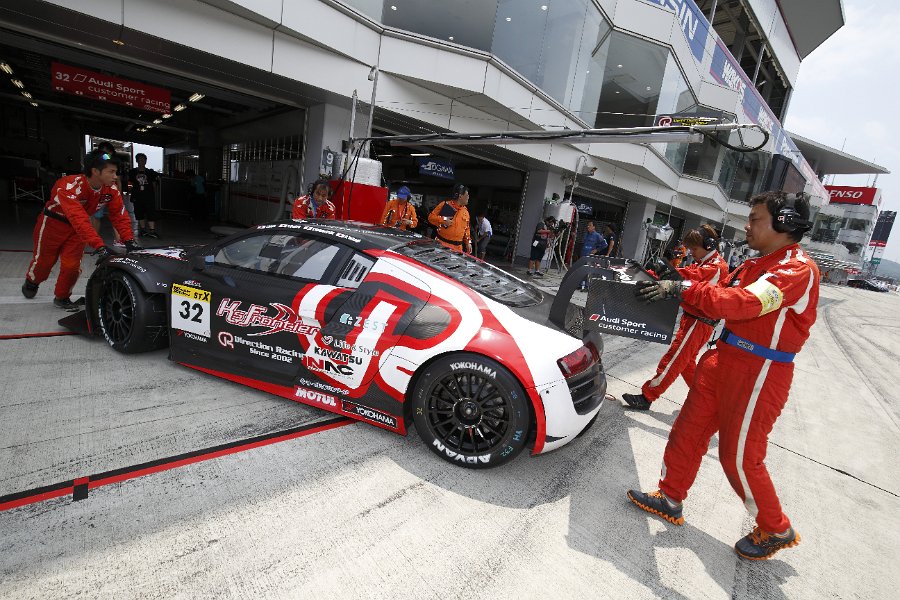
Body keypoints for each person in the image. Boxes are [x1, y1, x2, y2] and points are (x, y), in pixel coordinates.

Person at [627, 191, 817, 560]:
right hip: (722, 360)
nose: (747, 226)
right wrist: (674, 280)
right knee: (687, 431)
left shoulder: (796, 270)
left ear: (784, 223)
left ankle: (776, 528)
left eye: (755, 219)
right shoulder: (753, 266)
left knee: (739, 456)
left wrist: (681, 287)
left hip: (759, 372)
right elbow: (715, 293)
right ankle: (670, 497)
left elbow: (743, 304)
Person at [622, 224, 728, 410]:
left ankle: (648, 396)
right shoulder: (706, 262)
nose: (691, 253)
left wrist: (660, 271)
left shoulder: (715, 267)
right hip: (694, 319)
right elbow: (684, 275)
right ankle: (705, 400)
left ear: (709, 245)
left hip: (699, 322)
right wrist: (648, 274)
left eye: (694, 249)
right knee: (686, 365)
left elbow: (687, 277)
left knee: (673, 360)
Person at [22, 150, 138, 310]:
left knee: (72, 266)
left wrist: (129, 240)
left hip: (77, 230)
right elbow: (79, 219)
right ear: (95, 171)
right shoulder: (68, 186)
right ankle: (32, 281)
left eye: (116, 172)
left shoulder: (110, 190)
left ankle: (62, 297)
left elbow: (119, 214)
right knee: (44, 262)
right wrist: (99, 246)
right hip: (52, 225)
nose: (115, 176)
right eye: (111, 172)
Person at [428, 183, 472, 253]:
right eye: (467, 195)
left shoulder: (465, 212)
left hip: (458, 248)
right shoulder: (444, 205)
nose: (468, 197)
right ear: (460, 196)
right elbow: (431, 218)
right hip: (441, 245)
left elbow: (467, 229)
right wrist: (444, 220)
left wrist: (468, 242)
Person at [128, 152, 160, 238]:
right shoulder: (132, 172)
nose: (142, 161)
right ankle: (142, 230)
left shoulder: (150, 172)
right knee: (139, 213)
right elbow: (130, 182)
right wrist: (130, 190)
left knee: (151, 212)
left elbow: (154, 183)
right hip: (137, 195)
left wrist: (153, 194)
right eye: (140, 160)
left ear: (146, 161)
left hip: (148, 196)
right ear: (137, 161)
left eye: (144, 160)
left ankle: (152, 231)